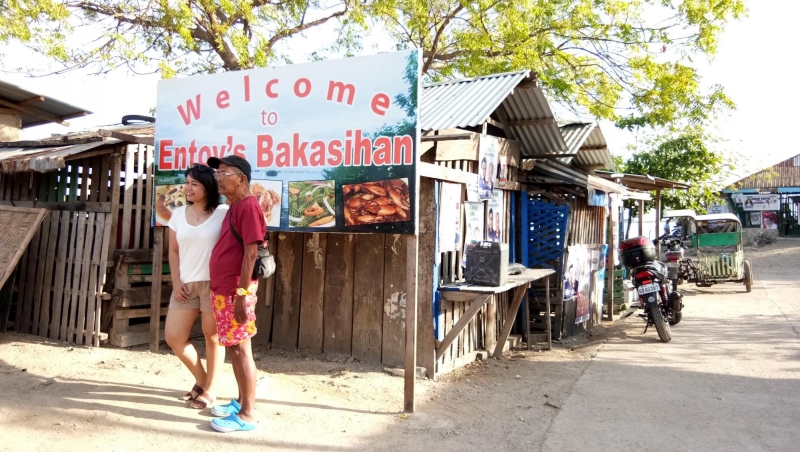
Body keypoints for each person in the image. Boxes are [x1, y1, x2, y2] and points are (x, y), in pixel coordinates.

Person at [206, 155, 267, 433]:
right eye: (217, 174)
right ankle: (242, 401)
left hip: (235, 291)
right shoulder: (234, 206)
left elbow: (251, 253)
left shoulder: (249, 206)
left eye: (223, 173)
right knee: (234, 348)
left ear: (241, 178)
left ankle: (247, 415)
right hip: (225, 291)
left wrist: (242, 295)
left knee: (241, 351)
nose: (218, 178)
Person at [164, 164, 228, 410]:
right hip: (186, 284)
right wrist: (176, 280)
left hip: (215, 284)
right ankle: (202, 379)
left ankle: (211, 389)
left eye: (194, 184)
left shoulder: (223, 212)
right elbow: (173, 250)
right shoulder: (178, 214)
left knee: (213, 338)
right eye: (186, 182)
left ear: (208, 187)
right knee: (174, 337)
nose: (187, 188)